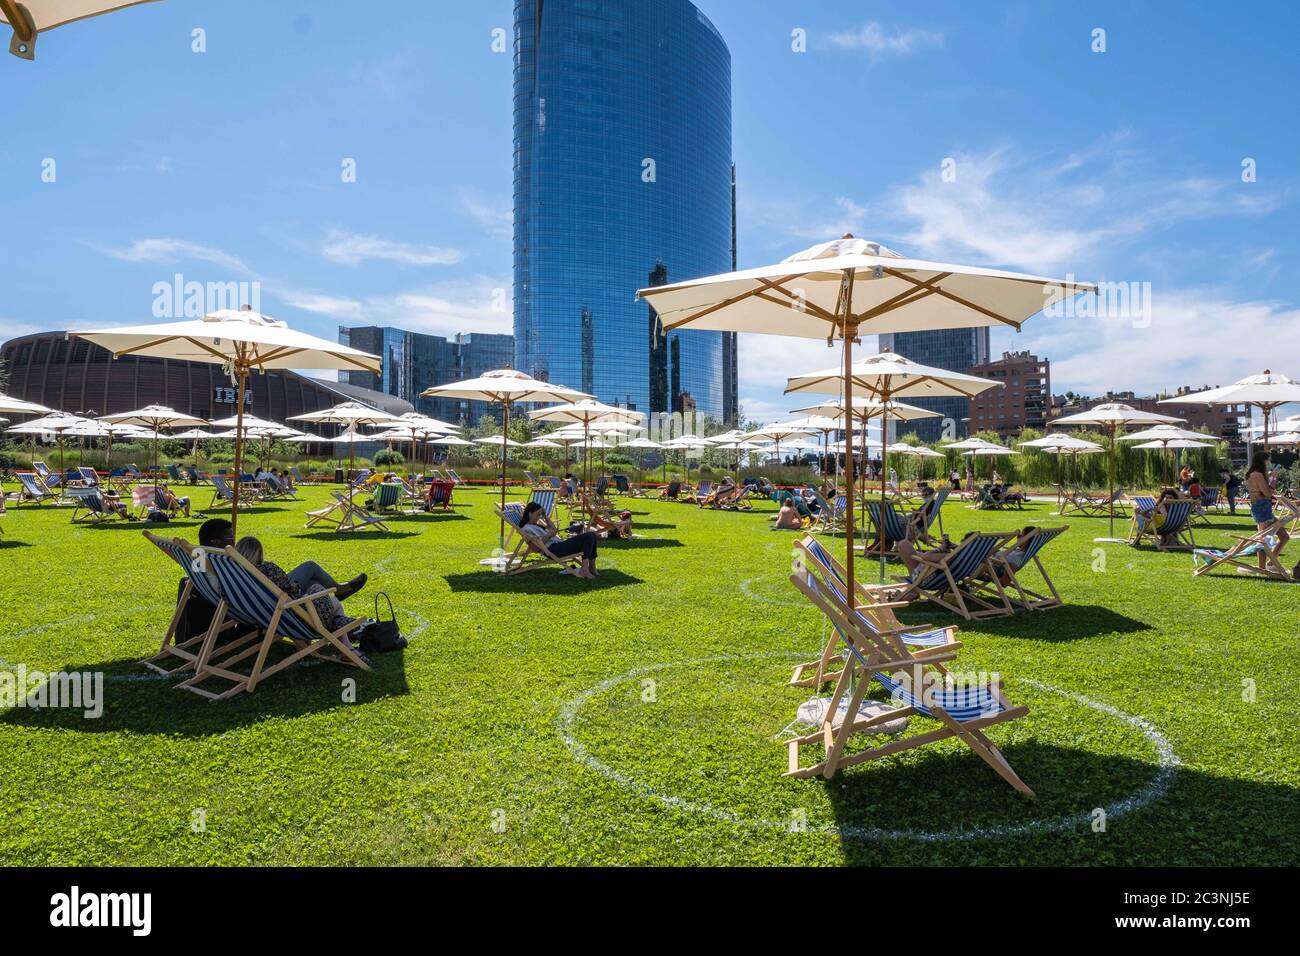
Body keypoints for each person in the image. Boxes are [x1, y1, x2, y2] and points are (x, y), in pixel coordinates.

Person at [234, 536, 367, 656]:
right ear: (258, 554)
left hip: (262, 613)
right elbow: (292, 587)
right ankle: (347, 647)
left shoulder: (232, 575)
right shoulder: (267, 570)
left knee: (313, 582)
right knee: (311, 570)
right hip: (288, 614)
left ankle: (318, 643)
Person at [519, 500, 599, 578]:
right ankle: (584, 570)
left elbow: (554, 529)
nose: (539, 517)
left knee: (592, 535)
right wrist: (549, 536)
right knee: (588, 536)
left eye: (540, 514)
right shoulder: (526, 529)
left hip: (558, 546)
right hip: (553, 550)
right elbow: (535, 549)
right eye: (537, 514)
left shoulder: (535, 525)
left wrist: (545, 516)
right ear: (530, 514)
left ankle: (591, 568)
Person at [1246, 450, 1288, 569]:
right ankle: (1262, 567)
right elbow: (1268, 493)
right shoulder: (1257, 475)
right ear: (1262, 461)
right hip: (1261, 508)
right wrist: (1274, 478)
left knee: (1284, 536)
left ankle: (1270, 563)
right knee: (1264, 539)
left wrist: (1270, 477)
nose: (1269, 463)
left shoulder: (1257, 474)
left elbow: (1268, 492)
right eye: (1267, 460)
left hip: (1263, 507)